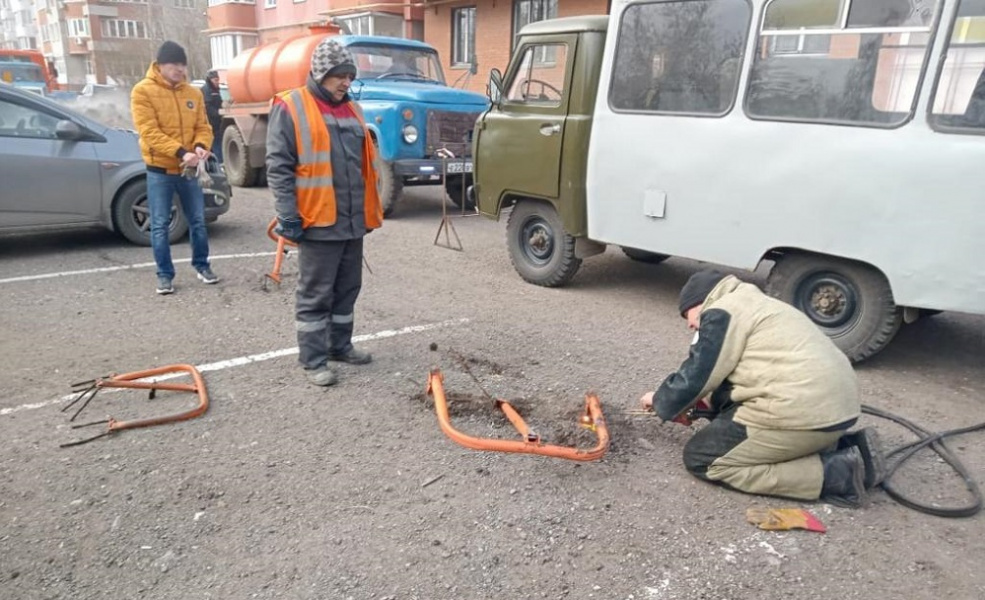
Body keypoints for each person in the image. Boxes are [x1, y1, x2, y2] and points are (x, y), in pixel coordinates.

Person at [639, 270, 885, 507]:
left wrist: (662, 401)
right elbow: (738, 377)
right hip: (836, 410)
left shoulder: (720, 311)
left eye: (687, 316)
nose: (690, 325)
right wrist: (699, 408)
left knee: (704, 458)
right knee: (729, 425)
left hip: (804, 414)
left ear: (700, 302)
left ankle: (838, 473)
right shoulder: (758, 305)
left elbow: (698, 375)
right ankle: (834, 447)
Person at [265, 38, 384, 387]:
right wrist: (288, 215)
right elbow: (279, 166)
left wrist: (368, 212)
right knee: (316, 293)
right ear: (321, 72)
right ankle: (313, 359)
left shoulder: (353, 109)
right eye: (340, 76)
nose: (346, 82)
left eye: (349, 75)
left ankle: (339, 346)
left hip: (351, 221)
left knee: (348, 288)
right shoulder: (291, 106)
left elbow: (364, 165)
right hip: (317, 220)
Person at [131, 41, 218, 295]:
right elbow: (148, 132)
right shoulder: (142, 91)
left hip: (189, 171)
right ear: (160, 65)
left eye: (183, 64)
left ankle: (202, 266)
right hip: (160, 169)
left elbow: (204, 125)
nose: (180, 69)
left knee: (198, 221)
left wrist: (201, 146)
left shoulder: (192, 93)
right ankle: (164, 275)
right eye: (174, 64)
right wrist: (181, 152)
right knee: (159, 224)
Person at [203, 69, 224, 163]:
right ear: (210, 79)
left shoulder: (217, 89)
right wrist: (218, 113)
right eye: (215, 80)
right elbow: (207, 107)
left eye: (218, 79)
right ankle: (219, 164)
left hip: (218, 122)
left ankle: (215, 163)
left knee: (217, 144)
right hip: (210, 123)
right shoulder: (206, 90)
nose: (217, 82)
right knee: (215, 145)